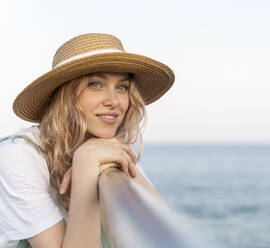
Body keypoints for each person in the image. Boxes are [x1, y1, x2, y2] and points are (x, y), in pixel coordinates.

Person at [0, 33, 175, 247]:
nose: (114, 101)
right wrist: (84, 164)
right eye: (95, 84)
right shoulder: (18, 155)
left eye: (122, 87)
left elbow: (164, 233)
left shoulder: (108, 145)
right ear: (65, 95)